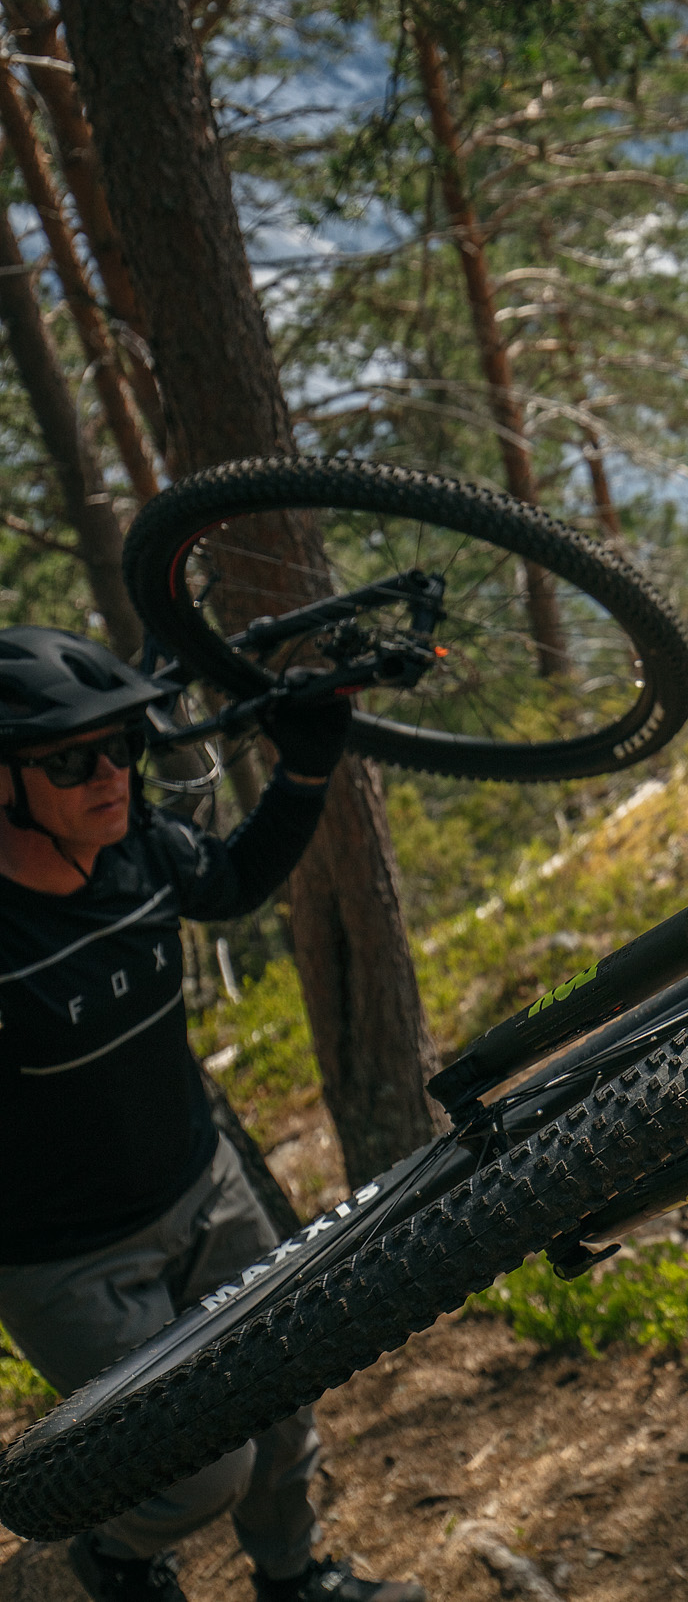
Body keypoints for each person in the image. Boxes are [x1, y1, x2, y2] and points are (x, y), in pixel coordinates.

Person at [0, 627, 425, 1602]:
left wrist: (306, 771)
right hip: (67, 1259)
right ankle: (114, 1554)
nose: (111, 773)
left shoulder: (137, 846)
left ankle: (294, 1574)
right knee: (198, 1466)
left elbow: (231, 881)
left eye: (125, 744)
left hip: (204, 1184)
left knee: (280, 1401)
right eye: (73, 757)